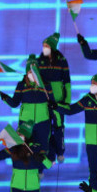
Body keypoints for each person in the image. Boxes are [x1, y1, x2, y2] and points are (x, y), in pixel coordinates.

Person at [0, 54, 53, 157]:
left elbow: (53, 103)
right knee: (24, 146)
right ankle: (25, 168)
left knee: (42, 147)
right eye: (29, 71)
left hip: (43, 121)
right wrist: (5, 98)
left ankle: (40, 170)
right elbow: (15, 103)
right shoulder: (21, 85)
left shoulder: (46, 85)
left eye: (33, 71)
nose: (31, 73)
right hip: (26, 122)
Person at [37, 32, 71, 163]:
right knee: (45, 129)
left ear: (52, 47)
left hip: (58, 101)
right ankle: (49, 155)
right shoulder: (39, 61)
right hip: (43, 100)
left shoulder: (62, 61)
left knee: (58, 127)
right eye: (43, 45)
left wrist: (66, 102)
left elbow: (67, 82)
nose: (44, 48)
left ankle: (60, 152)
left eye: (46, 45)